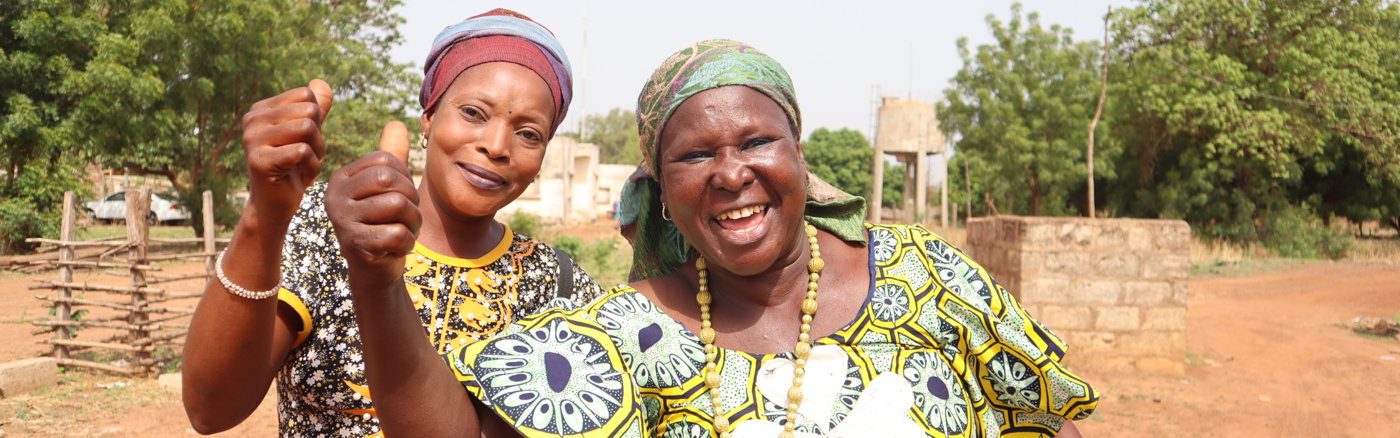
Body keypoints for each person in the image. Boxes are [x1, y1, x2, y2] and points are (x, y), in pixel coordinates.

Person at [336, 39, 1099, 437]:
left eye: (758, 142)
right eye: (695, 156)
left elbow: (1046, 425)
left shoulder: (928, 277)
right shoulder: (625, 338)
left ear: (800, 155)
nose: (731, 174)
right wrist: (376, 282)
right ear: (662, 194)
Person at [181, 9, 603, 436]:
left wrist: (379, 282)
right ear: (429, 117)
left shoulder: (556, 286)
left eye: (529, 133)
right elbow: (210, 409)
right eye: (474, 113)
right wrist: (265, 216)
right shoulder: (328, 228)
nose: (496, 146)